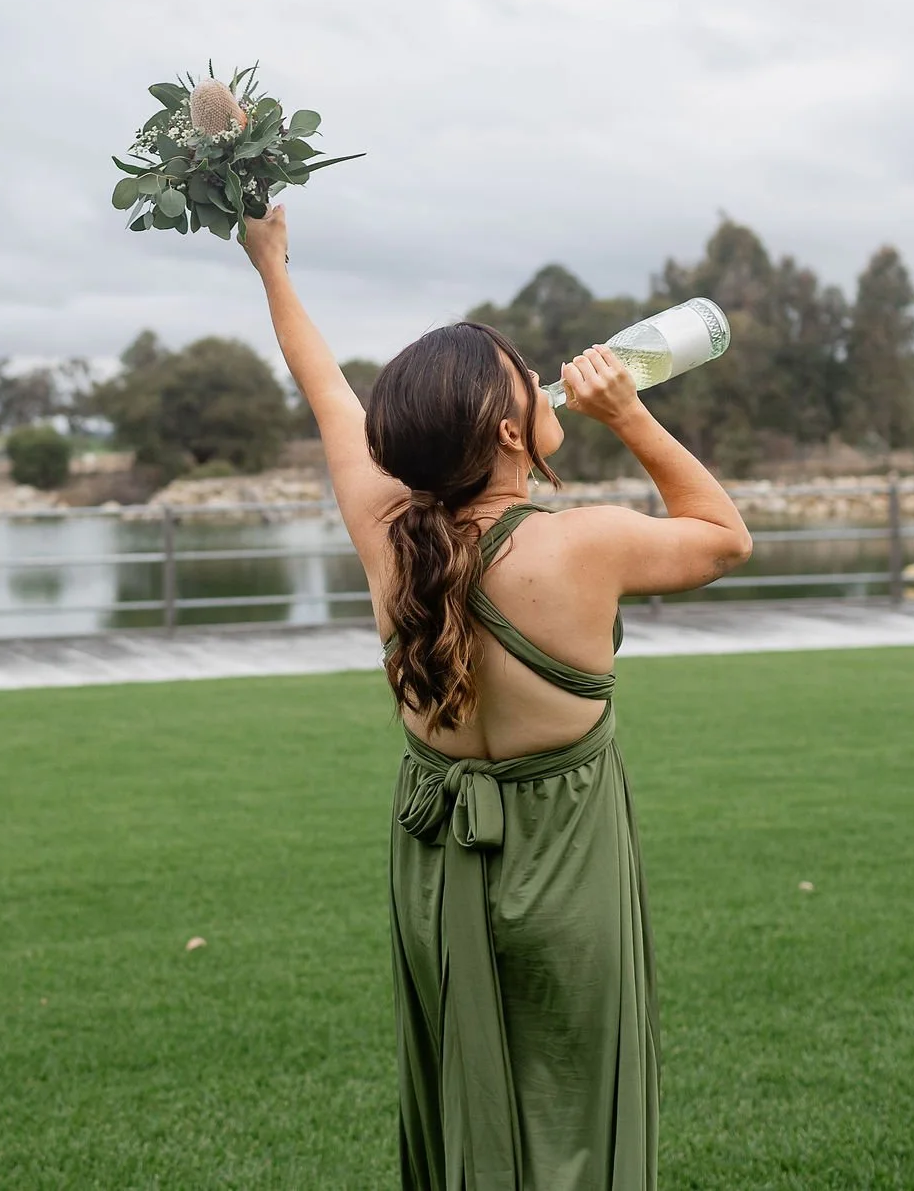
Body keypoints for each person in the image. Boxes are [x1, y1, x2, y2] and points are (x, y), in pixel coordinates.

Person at [242, 206, 752, 1190]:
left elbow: (321, 386)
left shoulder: (383, 529)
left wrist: (271, 267)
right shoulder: (581, 542)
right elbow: (723, 538)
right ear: (514, 428)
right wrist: (630, 415)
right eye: (529, 374)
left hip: (433, 867)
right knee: (573, 1112)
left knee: (462, 1098)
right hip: (564, 862)